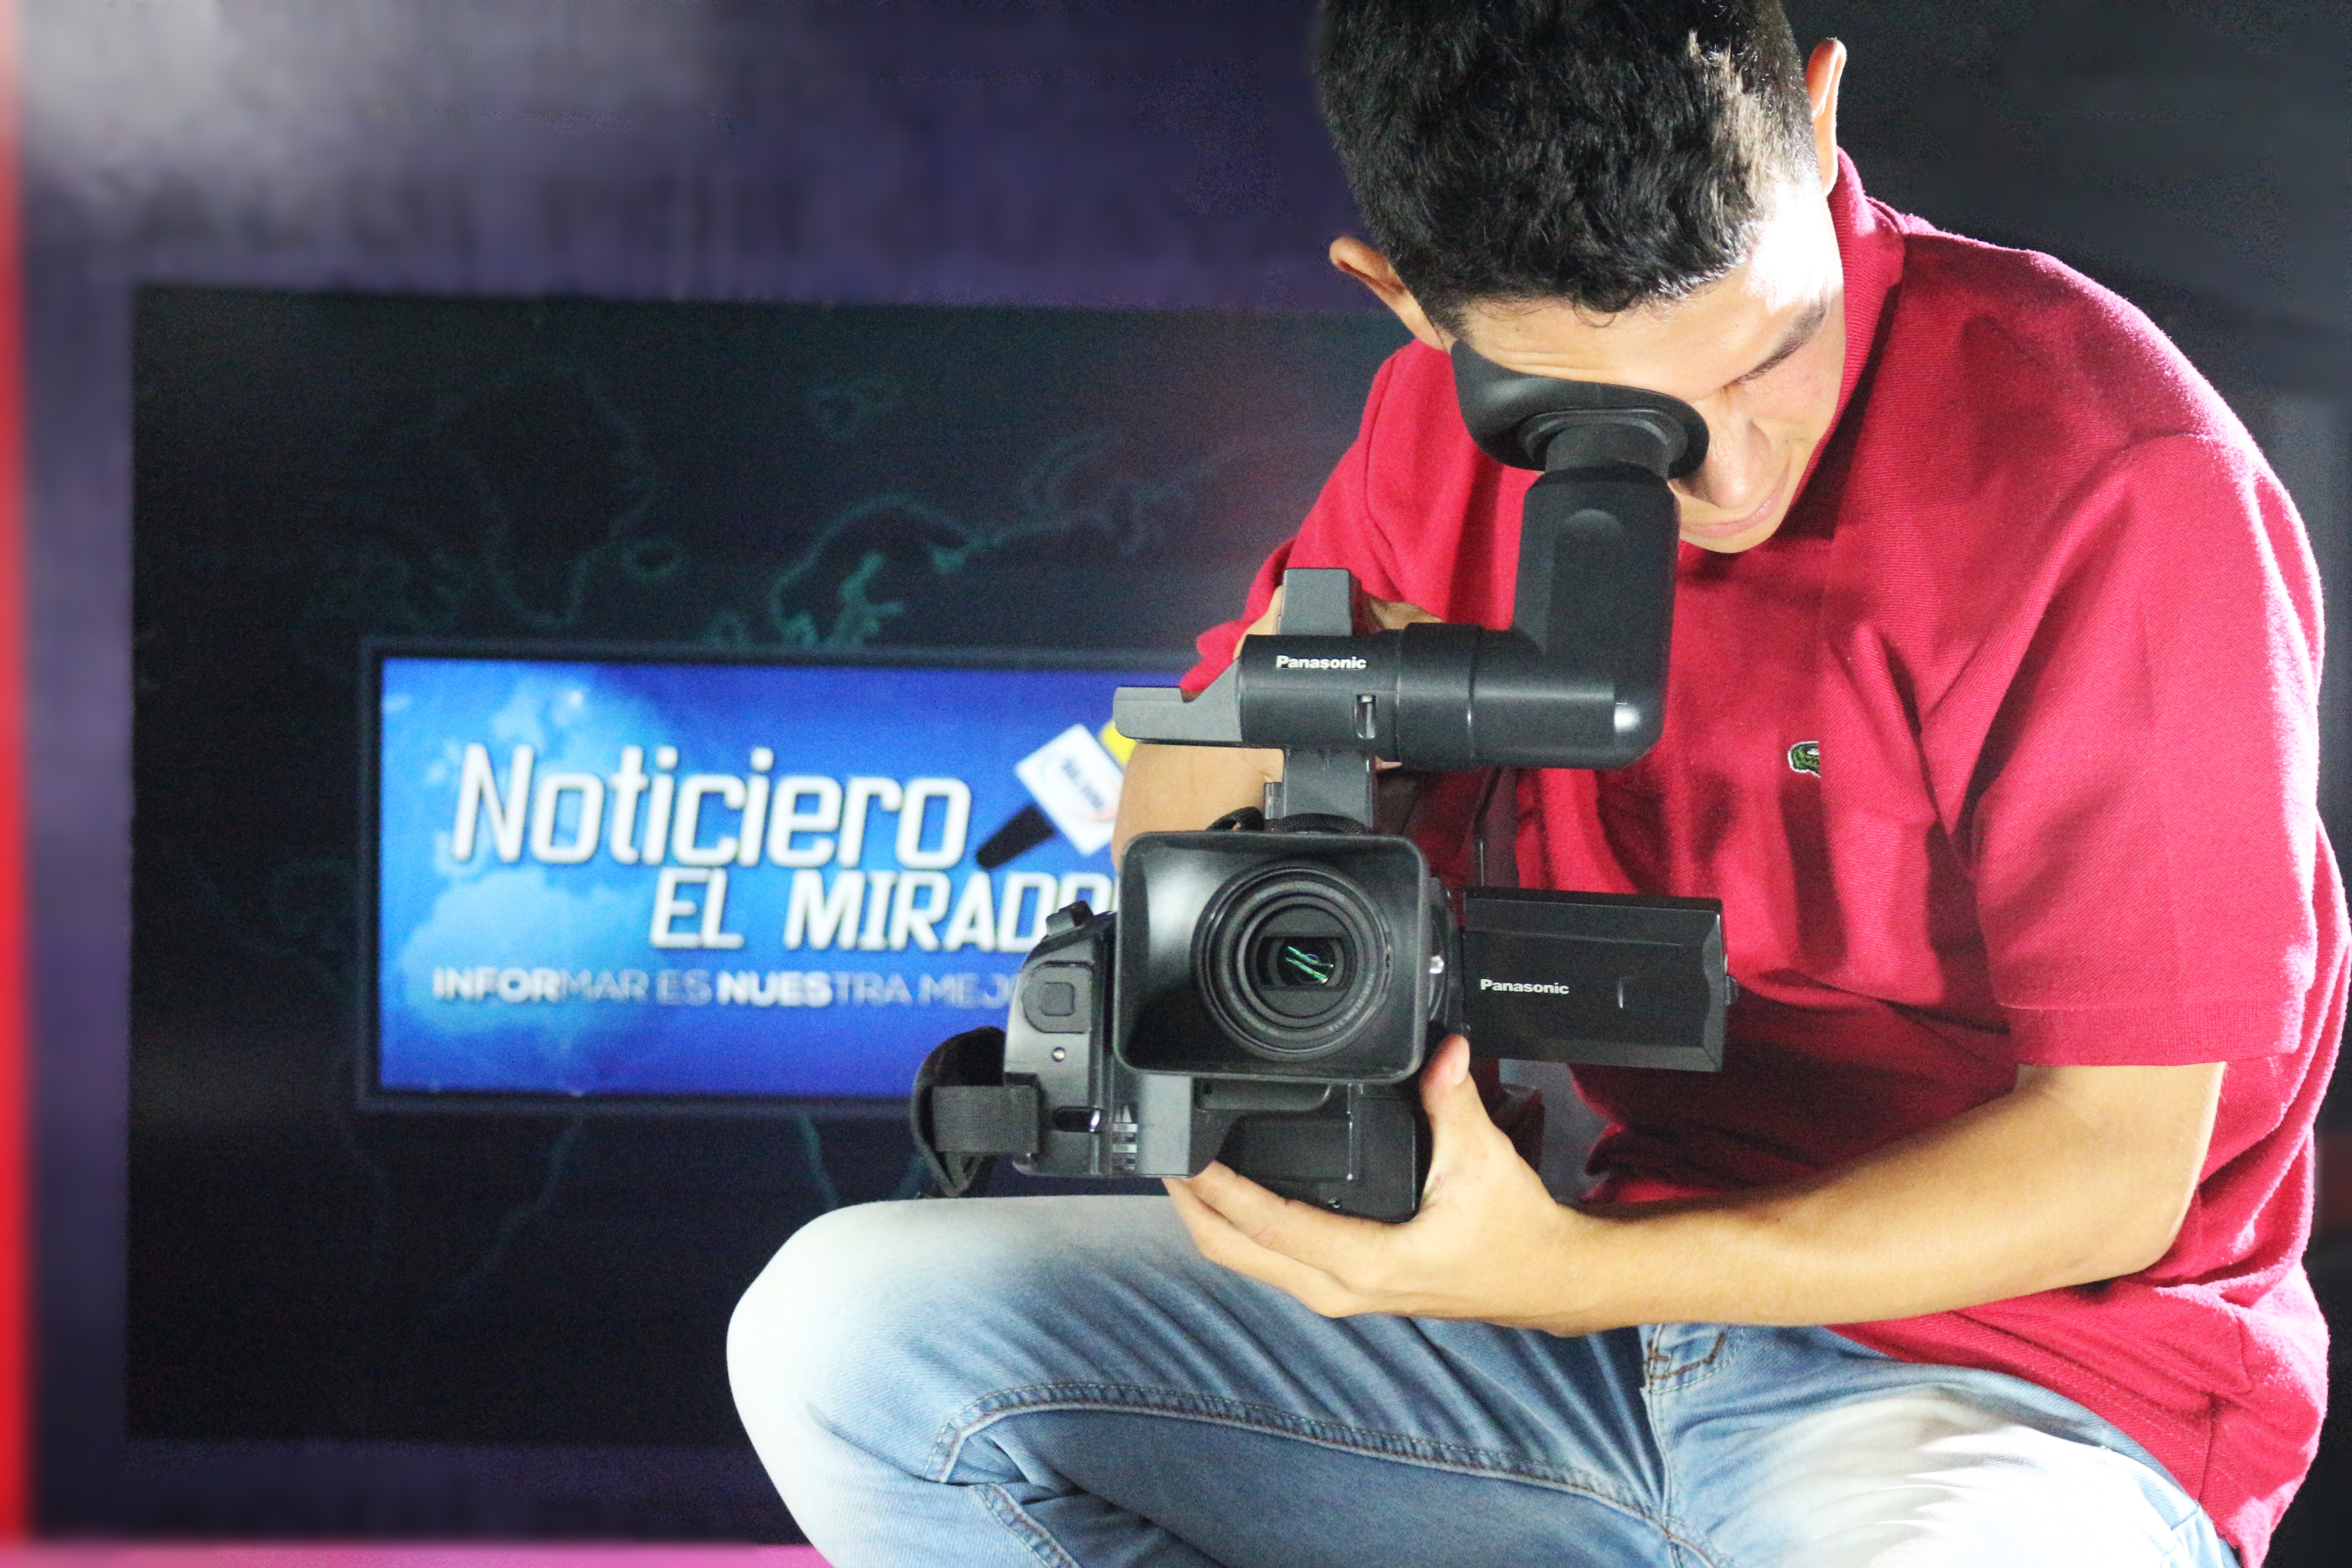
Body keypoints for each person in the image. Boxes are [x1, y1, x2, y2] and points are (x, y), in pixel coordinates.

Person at [728, 4, 2342, 1563]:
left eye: (1775, 352)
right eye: (1610, 423)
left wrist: (1570, 1271)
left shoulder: (2114, 475)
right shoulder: (1430, 433)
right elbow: (1174, 816)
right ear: (1411, 305)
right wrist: (1320, 748)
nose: (1732, 473)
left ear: (1820, 113)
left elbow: (2115, 1170)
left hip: (2005, 1379)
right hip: (1553, 1315)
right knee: (848, 1337)